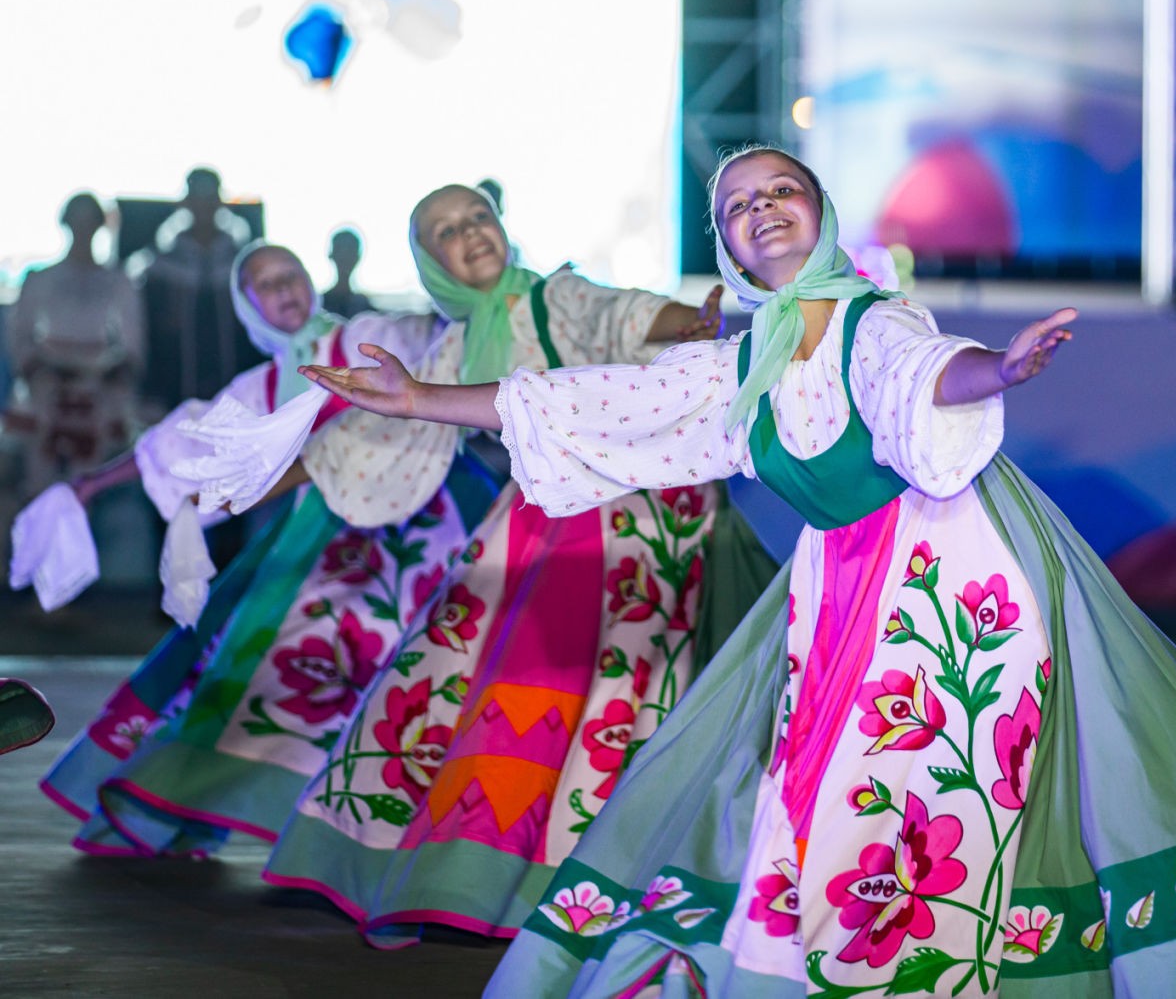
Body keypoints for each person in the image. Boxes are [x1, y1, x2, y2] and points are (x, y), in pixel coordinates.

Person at [304, 148, 1176, 997]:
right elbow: (592, 400)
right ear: (726, 245)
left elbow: (927, 372)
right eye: (739, 205)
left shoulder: (872, 317)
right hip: (839, 579)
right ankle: (832, 957)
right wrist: (419, 401)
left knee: (922, 777)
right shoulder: (743, 360)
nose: (762, 210)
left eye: (781, 192)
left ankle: (919, 962)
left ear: (820, 213)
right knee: (823, 777)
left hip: (954, 571)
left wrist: (999, 367)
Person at [256, 183, 778, 946]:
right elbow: (384, 432)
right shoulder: (452, 345)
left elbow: (619, 314)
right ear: (429, 261)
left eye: (479, 218)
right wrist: (259, 481)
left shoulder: (552, 296)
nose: (471, 235)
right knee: (446, 675)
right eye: (447, 231)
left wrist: (685, 323)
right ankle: (427, 871)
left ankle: (583, 879)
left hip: (635, 516)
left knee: (602, 696)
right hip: (541, 519)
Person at [40, 242, 494, 857]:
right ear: (248, 306)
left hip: (433, 516)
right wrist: (93, 483)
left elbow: (440, 335)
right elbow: (175, 447)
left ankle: (421, 832)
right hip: (326, 539)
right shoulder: (262, 387)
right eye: (267, 284)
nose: (285, 290)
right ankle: (180, 807)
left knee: (449, 662)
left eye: (291, 275)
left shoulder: (369, 338)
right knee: (254, 667)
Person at [4, 192, 145, 497]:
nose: (83, 228)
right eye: (77, 220)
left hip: (98, 393)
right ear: (66, 223)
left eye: (89, 221)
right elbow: (20, 335)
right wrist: (40, 372)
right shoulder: (40, 279)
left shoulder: (117, 281)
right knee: (38, 478)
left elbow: (132, 343)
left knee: (91, 478)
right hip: (46, 391)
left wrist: (110, 374)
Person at [137, 167, 261, 412]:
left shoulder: (243, 266)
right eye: (197, 197)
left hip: (236, 389)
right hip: (175, 390)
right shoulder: (162, 268)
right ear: (186, 202)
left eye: (210, 197)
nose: (204, 205)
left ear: (220, 201)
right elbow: (151, 334)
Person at [323, 228, 374, 318]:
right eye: (341, 252)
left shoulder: (363, 305)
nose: (345, 259)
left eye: (349, 252)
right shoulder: (319, 304)